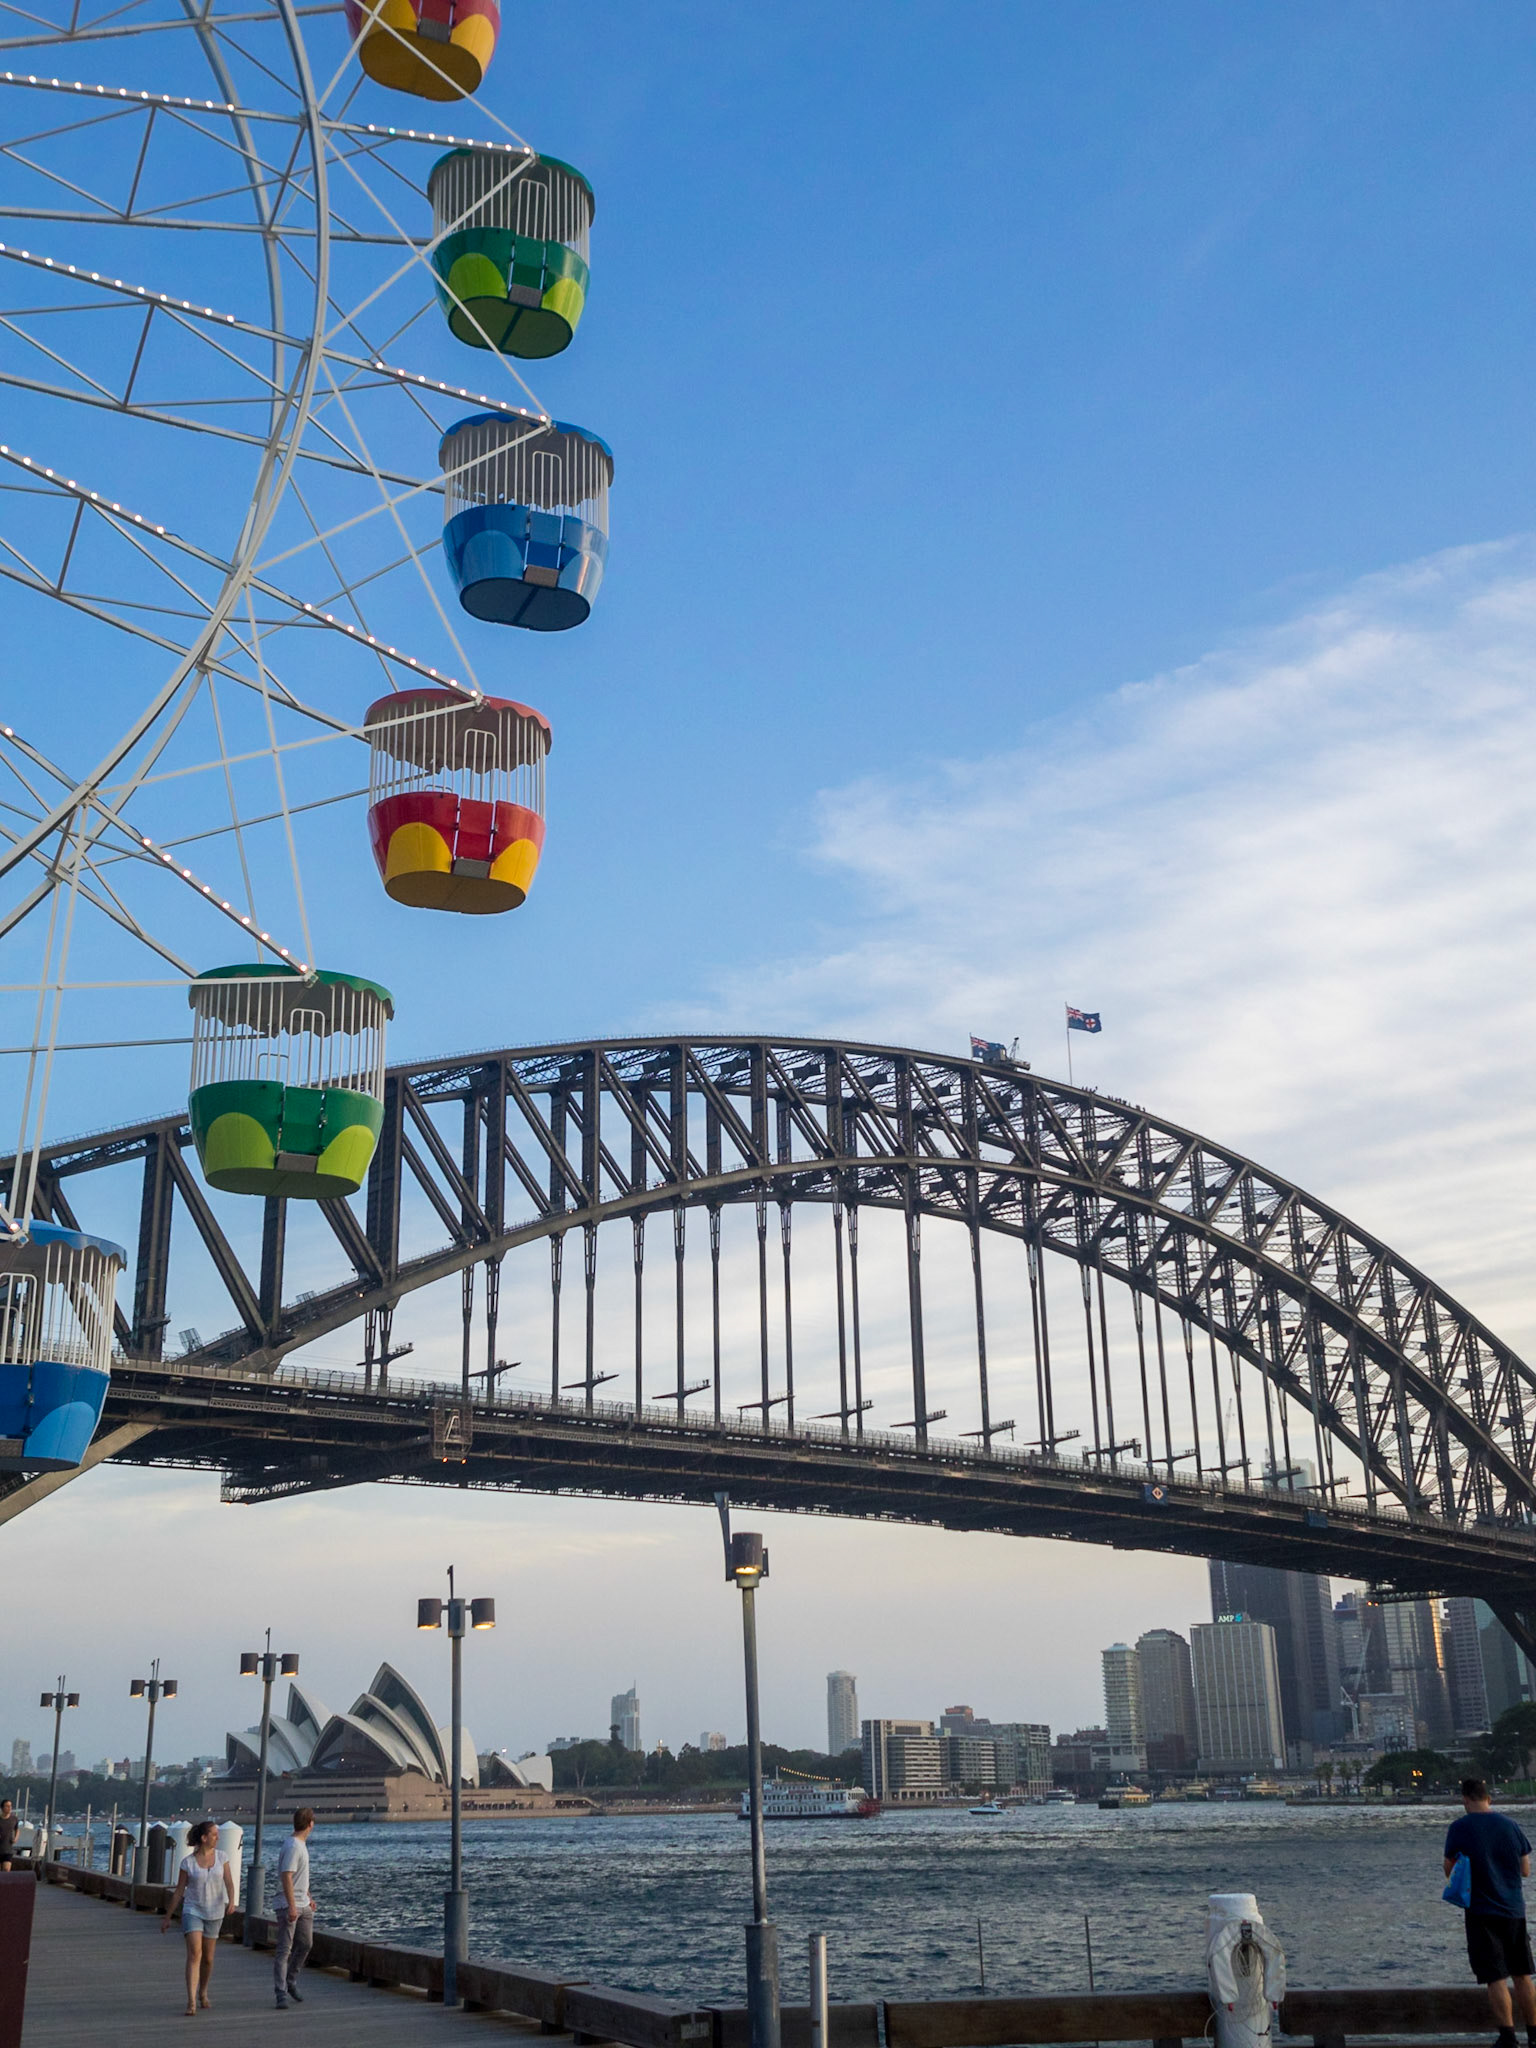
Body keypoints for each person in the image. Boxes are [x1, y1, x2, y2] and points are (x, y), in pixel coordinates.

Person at [1445, 1776, 1536, 2048]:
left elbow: (1449, 1870)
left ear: (1464, 1799)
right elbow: (1525, 1870)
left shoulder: (1459, 1828)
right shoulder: (1511, 1826)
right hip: (1513, 1910)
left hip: (1481, 1912)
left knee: (1495, 1977)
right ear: (1488, 1798)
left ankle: (1508, 2038)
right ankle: (1534, 2035)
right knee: (1522, 1975)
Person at [161, 1818, 236, 2017]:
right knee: (195, 1954)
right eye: (214, 1834)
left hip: (215, 1912)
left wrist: (232, 1900)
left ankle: (203, 1991)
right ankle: (191, 2000)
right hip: (193, 1910)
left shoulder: (222, 1858)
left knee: (208, 1959)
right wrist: (168, 1917)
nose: (217, 1838)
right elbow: (179, 1891)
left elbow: (229, 1881)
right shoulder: (188, 1863)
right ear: (204, 1838)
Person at [273, 1807, 316, 2011]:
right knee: (284, 1950)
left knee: (306, 1944)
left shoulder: (300, 1845)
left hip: (303, 1903)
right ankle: (280, 1992)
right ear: (311, 1824)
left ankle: (291, 1980)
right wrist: (291, 1905)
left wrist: (308, 1896)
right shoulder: (293, 1846)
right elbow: (286, 1876)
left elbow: (299, 1877)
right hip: (288, 1904)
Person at [0, 1798, 17, 1871]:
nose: (9, 1808)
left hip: (8, 1849)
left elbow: (17, 1829)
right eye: (7, 1806)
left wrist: (16, 1838)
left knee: (6, 1870)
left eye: (10, 1806)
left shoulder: (14, 1819)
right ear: (2, 1808)